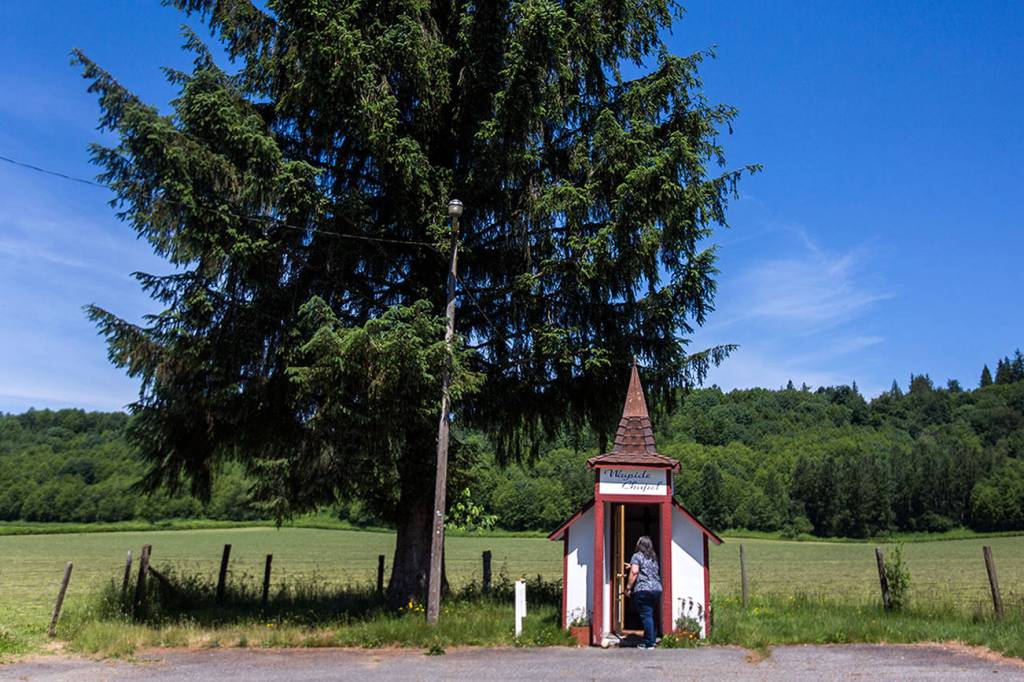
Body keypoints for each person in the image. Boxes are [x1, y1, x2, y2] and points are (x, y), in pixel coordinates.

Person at [625, 535, 662, 649]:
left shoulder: (637, 556)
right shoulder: (653, 557)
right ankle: (650, 639)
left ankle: (649, 643)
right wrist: (631, 566)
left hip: (643, 589)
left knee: (646, 616)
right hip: (656, 589)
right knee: (650, 615)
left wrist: (628, 587)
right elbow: (646, 569)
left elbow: (635, 572)